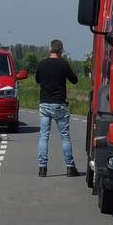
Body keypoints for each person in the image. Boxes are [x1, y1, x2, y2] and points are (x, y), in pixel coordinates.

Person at [35, 40, 81, 177]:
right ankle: (70, 167)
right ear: (61, 51)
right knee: (65, 136)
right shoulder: (63, 64)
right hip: (59, 104)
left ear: (50, 50)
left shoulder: (42, 64)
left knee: (44, 136)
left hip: (44, 104)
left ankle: (42, 168)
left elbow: (37, 80)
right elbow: (74, 80)